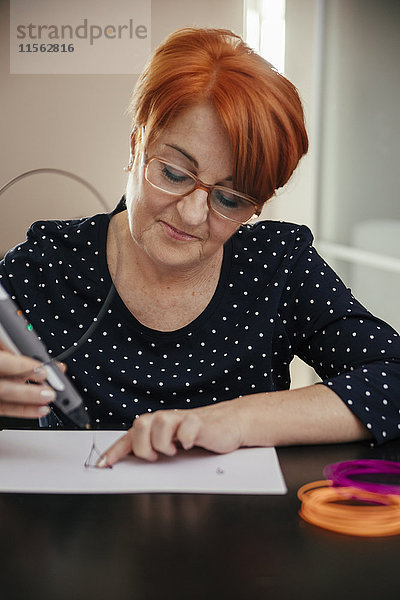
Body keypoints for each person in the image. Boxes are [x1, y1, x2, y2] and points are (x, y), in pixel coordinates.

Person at [1, 27, 399, 465]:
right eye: (174, 173)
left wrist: (237, 420)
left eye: (229, 199)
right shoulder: (46, 265)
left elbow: (392, 379)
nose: (191, 215)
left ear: (256, 207)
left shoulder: (278, 264)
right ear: (137, 146)